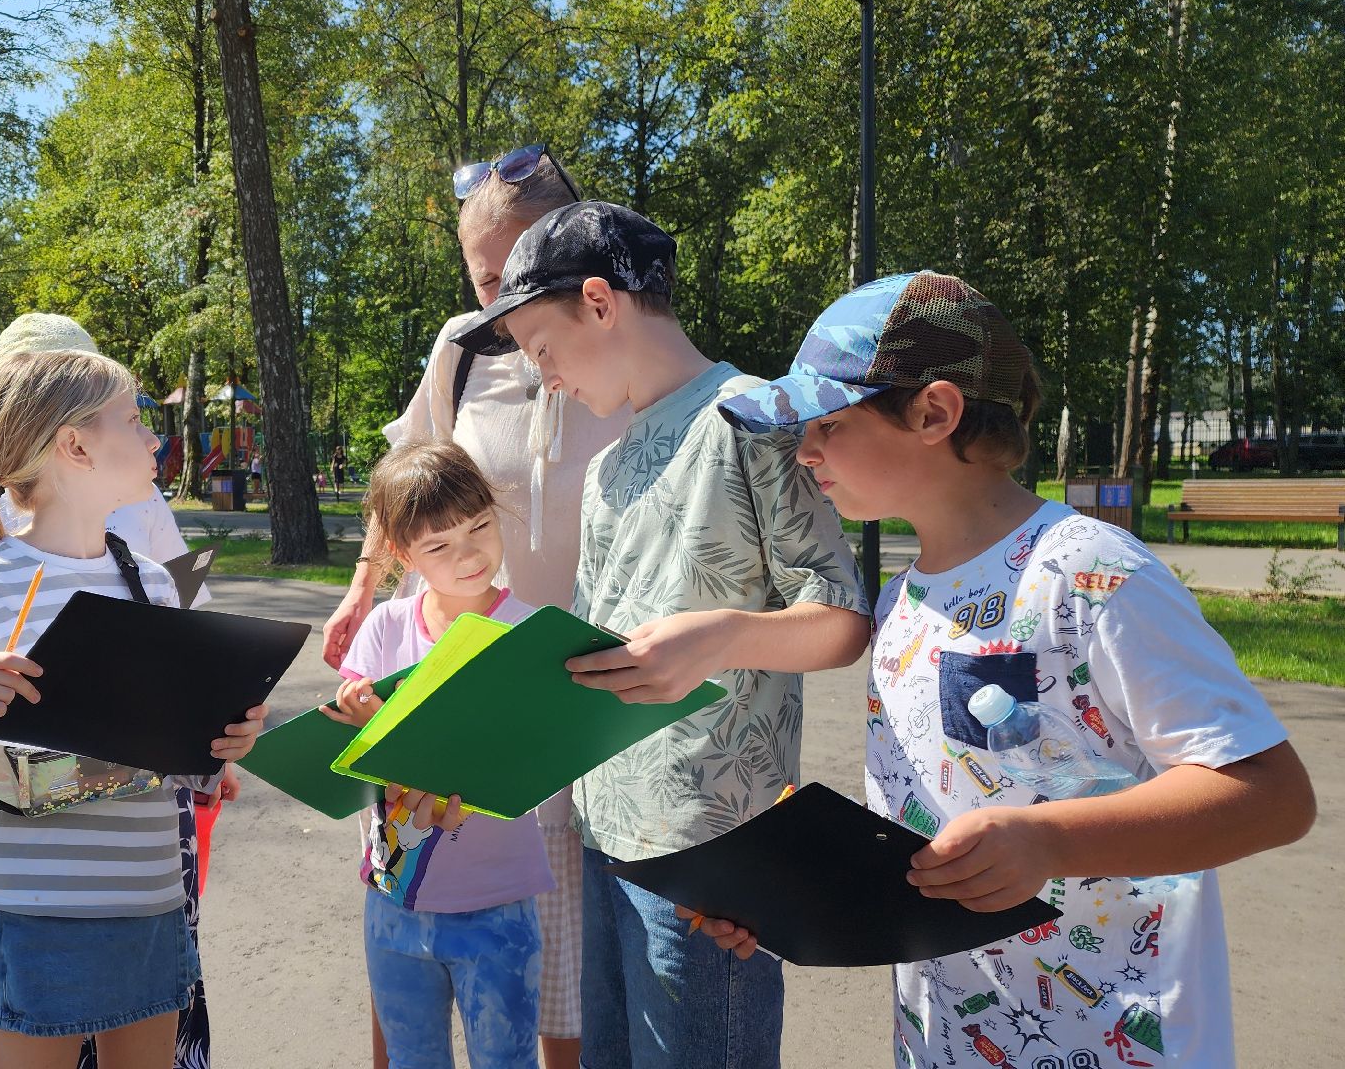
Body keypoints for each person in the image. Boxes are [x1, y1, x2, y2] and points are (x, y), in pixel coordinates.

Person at [712, 271, 1317, 1066]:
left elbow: (1271, 796)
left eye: (826, 422)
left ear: (934, 411)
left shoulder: (1090, 574)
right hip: (945, 1039)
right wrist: (795, 894)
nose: (804, 449)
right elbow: (930, 840)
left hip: (1115, 1042)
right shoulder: (902, 601)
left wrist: (1048, 841)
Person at [456, 200, 871, 1069]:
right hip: (605, 830)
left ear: (601, 303)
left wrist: (721, 638)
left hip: (711, 854)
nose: (546, 379)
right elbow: (596, 644)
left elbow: (840, 618)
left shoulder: (751, 419)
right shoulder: (608, 464)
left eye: (542, 350)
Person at [0, 347, 267, 1069]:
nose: (156, 439)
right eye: (135, 419)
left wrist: (220, 744)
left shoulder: (153, 583)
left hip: (151, 904)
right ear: (75, 445)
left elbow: (171, 760)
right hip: (35, 916)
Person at [323, 146, 620, 1069]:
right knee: (417, 884)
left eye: (509, 267)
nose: (493, 289)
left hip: (559, 674)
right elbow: (407, 479)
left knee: (551, 944)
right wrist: (365, 584)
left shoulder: (618, 348)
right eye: (476, 270)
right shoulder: (459, 347)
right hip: (442, 665)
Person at [323, 440, 554, 1069]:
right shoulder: (385, 628)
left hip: (497, 900)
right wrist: (359, 719)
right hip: (394, 897)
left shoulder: (532, 633)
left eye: (480, 526)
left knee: (505, 1059)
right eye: (439, 545)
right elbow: (350, 751)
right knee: (411, 1059)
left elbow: (545, 757)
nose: (469, 553)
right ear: (402, 554)